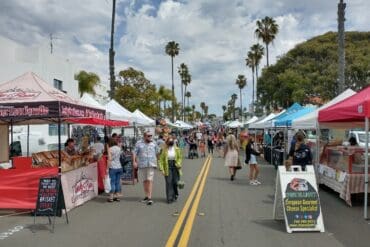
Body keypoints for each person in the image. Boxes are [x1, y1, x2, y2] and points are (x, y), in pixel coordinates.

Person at [133, 131, 160, 205]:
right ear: (144, 136)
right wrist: (134, 162)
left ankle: (150, 197)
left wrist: (159, 162)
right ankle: (146, 196)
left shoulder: (154, 143)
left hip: (151, 164)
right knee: (145, 180)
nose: (150, 137)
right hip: (142, 164)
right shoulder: (139, 143)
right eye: (148, 136)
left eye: (151, 135)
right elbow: (134, 152)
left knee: (150, 180)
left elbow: (158, 152)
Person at [158, 137, 183, 203]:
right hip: (167, 166)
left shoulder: (177, 149)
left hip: (175, 166)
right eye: (170, 141)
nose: (171, 142)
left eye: (172, 141)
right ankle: (169, 198)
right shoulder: (164, 150)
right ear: (167, 143)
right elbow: (160, 160)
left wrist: (179, 163)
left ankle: (175, 194)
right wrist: (162, 169)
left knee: (175, 182)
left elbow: (180, 158)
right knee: (169, 182)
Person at [106, 138, 123, 202]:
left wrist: (107, 168)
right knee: (117, 182)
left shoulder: (110, 149)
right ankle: (117, 196)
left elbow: (109, 159)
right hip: (119, 167)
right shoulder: (119, 148)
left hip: (112, 167)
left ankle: (111, 197)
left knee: (112, 182)